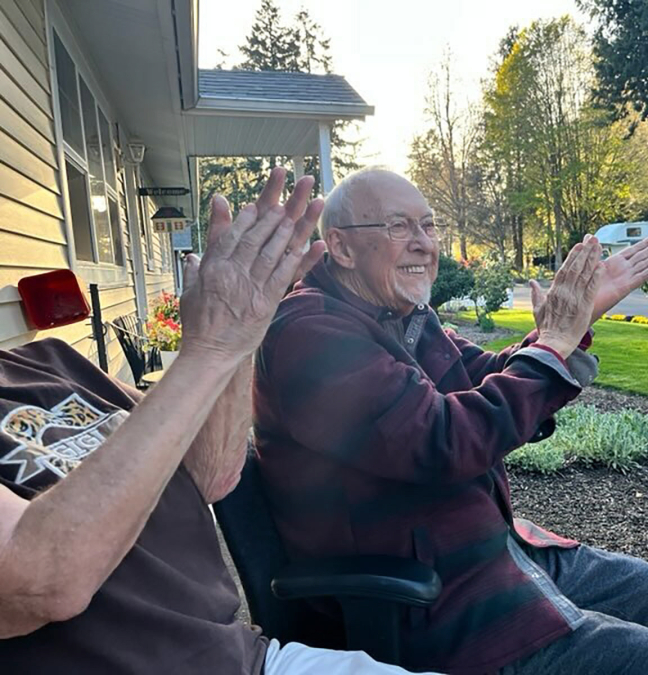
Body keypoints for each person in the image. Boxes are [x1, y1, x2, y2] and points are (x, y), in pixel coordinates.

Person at [253, 167, 648, 675]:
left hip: (475, 550)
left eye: (429, 225)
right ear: (342, 247)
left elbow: (486, 376)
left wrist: (569, 329)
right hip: (417, 598)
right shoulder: (311, 334)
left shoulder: (402, 316)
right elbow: (442, 439)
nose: (423, 244)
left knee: (639, 586)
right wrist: (553, 344)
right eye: (399, 227)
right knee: (642, 661)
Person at [0, 169, 440, 675]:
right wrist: (209, 349)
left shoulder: (55, 362)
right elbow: (41, 582)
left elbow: (211, 475)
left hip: (248, 658)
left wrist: (243, 337)